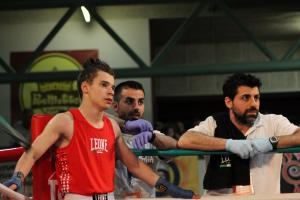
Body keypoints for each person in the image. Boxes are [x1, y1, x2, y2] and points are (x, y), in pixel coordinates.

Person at [1, 58, 196, 200]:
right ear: (85, 87)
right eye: (104, 85)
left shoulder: (112, 127)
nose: (111, 91)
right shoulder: (65, 121)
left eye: (112, 86)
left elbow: (136, 167)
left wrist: (171, 189)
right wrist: (17, 177)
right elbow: (33, 153)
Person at [178, 73, 300, 196]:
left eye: (256, 98)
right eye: (245, 98)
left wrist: (270, 142)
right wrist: (228, 144)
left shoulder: (273, 122)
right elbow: (185, 140)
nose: (253, 103)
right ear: (228, 102)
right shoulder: (214, 122)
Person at [112, 80, 179, 198]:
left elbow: (176, 146)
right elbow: (87, 114)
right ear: (115, 106)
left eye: (141, 102)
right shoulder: (106, 133)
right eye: (129, 101)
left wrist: (152, 136)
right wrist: (124, 124)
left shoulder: (152, 136)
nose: (136, 107)